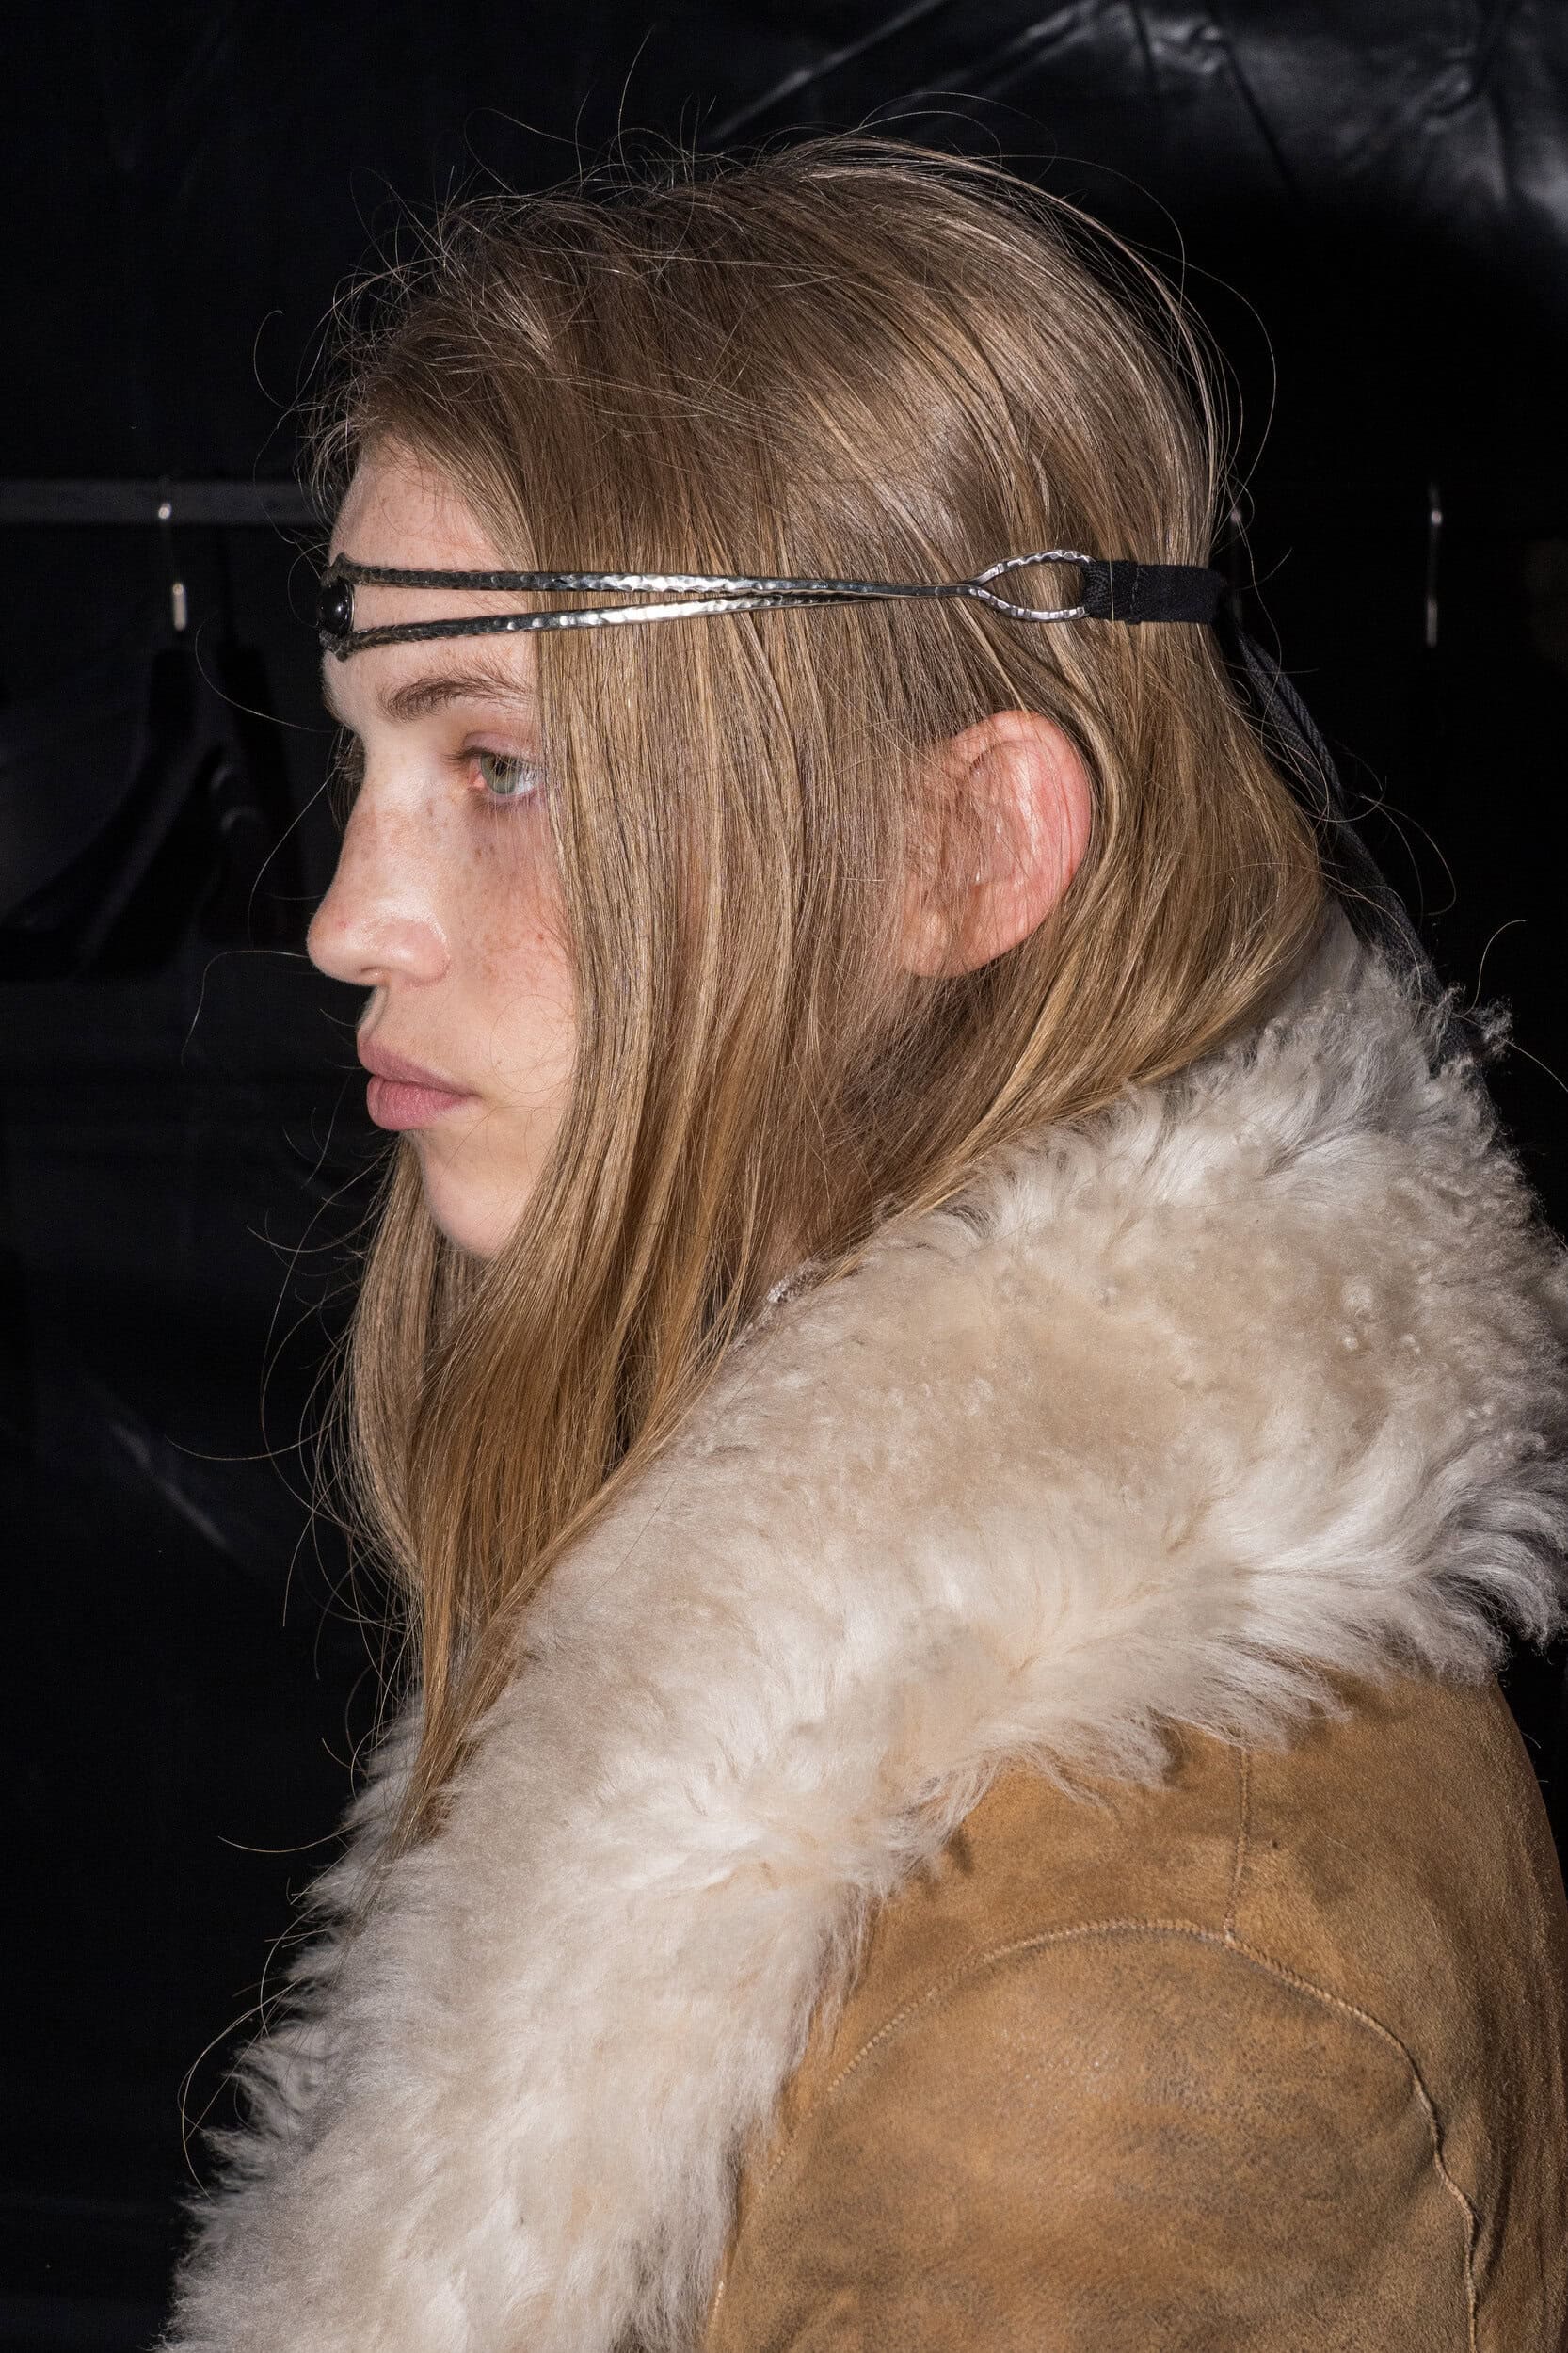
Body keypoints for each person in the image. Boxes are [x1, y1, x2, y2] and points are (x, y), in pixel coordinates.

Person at [160, 135, 1568, 2352]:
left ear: (962, 850)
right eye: (368, 769)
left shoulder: (1129, 1977)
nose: (347, 919)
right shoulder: (778, 1640)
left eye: (499, 769)